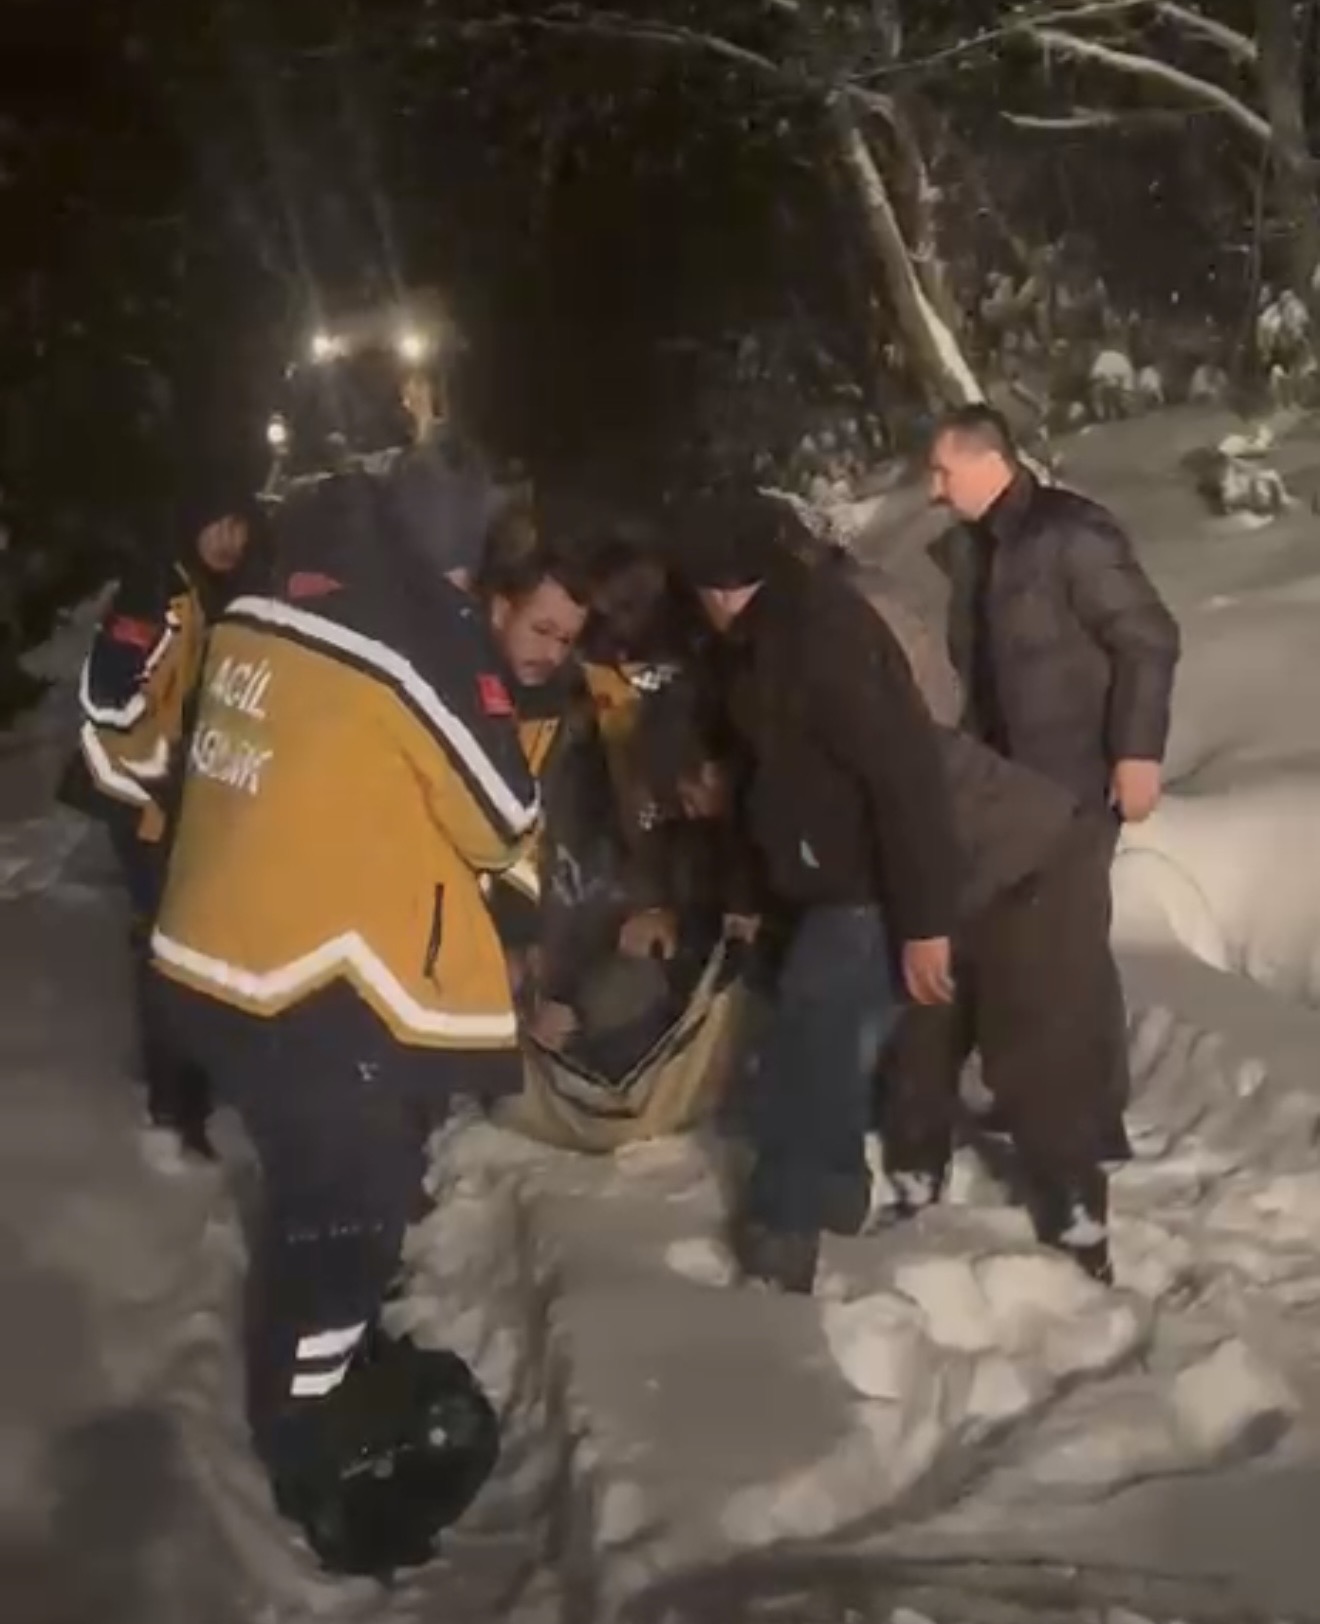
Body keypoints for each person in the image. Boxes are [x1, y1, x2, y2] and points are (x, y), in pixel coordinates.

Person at [146, 349, 539, 1573]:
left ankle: (321, 1377)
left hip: (216, 957)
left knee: (322, 1193)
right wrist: (478, 665)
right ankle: (318, 1458)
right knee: (346, 1217)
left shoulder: (273, 585)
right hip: (312, 981)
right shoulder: (418, 626)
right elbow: (500, 815)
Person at [671, 491, 958, 1295]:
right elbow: (779, 773)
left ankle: (782, 1230)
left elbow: (907, 777)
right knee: (826, 1048)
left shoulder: (822, 637)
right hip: (819, 879)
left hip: (865, 883)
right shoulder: (759, 641)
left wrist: (926, 923)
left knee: (802, 1051)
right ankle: (835, 1189)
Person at [861, 573, 1129, 1283]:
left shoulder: (876, 731)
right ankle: (915, 1178)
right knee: (919, 1028)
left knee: (1034, 1048)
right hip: (952, 874)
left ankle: (1077, 1221)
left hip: (1035, 862)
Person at [927, 403, 1180, 1134]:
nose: (933, 488)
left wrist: (1137, 753)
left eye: (942, 470)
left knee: (1064, 944)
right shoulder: (974, 548)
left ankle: (1084, 1121)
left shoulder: (1071, 533)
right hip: (1008, 780)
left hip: (1076, 775)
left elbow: (1149, 639)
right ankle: (1053, 1099)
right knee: (1037, 943)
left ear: (988, 461)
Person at [60, 476, 257, 1160]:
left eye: (240, 526)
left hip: (174, 795)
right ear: (192, 521)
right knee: (168, 942)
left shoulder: (211, 590)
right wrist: (155, 708)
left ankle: (187, 1081)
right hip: (140, 794)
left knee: (178, 932)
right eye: (217, 524)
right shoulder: (157, 592)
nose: (229, 541)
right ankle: (173, 1103)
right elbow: (107, 695)